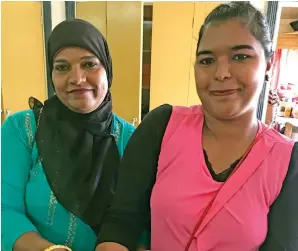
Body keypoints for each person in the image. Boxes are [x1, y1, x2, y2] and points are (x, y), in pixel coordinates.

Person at [95, 2, 298, 251]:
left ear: (268, 65)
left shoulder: (288, 162)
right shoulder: (161, 127)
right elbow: (121, 222)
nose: (221, 73)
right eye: (207, 60)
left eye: (240, 56)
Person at [1, 19, 149, 251]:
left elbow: (143, 223)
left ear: (107, 69)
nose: (77, 79)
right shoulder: (22, 129)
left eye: (89, 64)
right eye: (62, 67)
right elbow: (4, 209)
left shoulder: (132, 140)